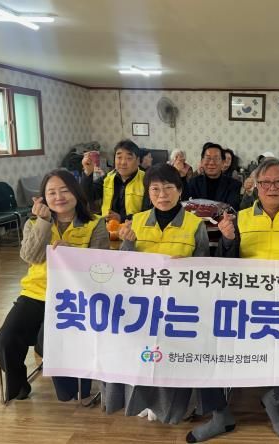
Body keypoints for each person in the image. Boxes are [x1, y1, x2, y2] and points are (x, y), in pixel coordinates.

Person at [101, 164, 233, 442]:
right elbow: (123, 268)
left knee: (181, 349)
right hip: (143, 305)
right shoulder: (135, 222)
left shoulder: (194, 224)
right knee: (135, 345)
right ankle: (144, 401)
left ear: (180, 191)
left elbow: (203, 268)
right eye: (155, 189)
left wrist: (188, 265)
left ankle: (176, 406)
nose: (162, 195)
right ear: (148, 193)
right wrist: (128, 244)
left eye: (169, 188)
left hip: (180, 305)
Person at [217, 158, 279, 441]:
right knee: (211, 339)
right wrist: (227, 240)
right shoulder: (239, 218)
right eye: (265, 182)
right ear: (256, 186)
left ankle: (275, 400)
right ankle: (218, 414)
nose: (272, 188)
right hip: (247, 305)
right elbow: (225, 267)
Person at [0, 169, 109, 402]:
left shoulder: (95, 223)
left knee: (48, 342)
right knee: (5, 341)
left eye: (64, 190)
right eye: (51, 192)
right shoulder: (34, 223)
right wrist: (43, 222)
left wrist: (71, 254)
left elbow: (101, 267)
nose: (59, 197)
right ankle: (19, 384)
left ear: (76, 192)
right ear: (43, 198)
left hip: (75, 296)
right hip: (36, 293)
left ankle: (67, 377)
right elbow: (29, 256)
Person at [82, 139, 150, 222]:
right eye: (119, 157)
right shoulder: (108, 177)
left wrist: (122, 218)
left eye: (129, 158)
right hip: (107, 226)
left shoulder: (147, 180)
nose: (123, 162)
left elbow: (148, 213)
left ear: (138, 161)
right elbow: (88, 195)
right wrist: (88, 172)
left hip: (133, 228)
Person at [184, 143, 242, 210]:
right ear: (202, 161)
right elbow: (187, 207)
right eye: (208, 158)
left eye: (216, 158)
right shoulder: (193, 183)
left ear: (223, 162)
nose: (211, 163)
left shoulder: (234, 185)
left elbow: (232, 209)